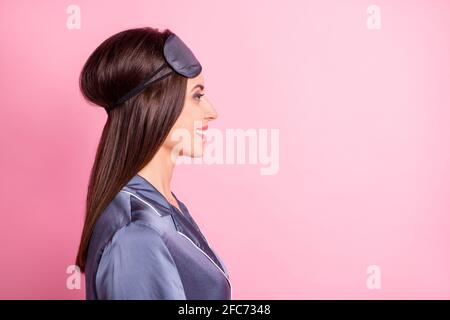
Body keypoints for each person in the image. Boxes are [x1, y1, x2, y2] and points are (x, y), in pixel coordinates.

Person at [75, 27, 231, 299]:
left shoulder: (160, 203)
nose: (212, 112)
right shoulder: (136, 232)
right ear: (156, 104)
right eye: (197, 95)